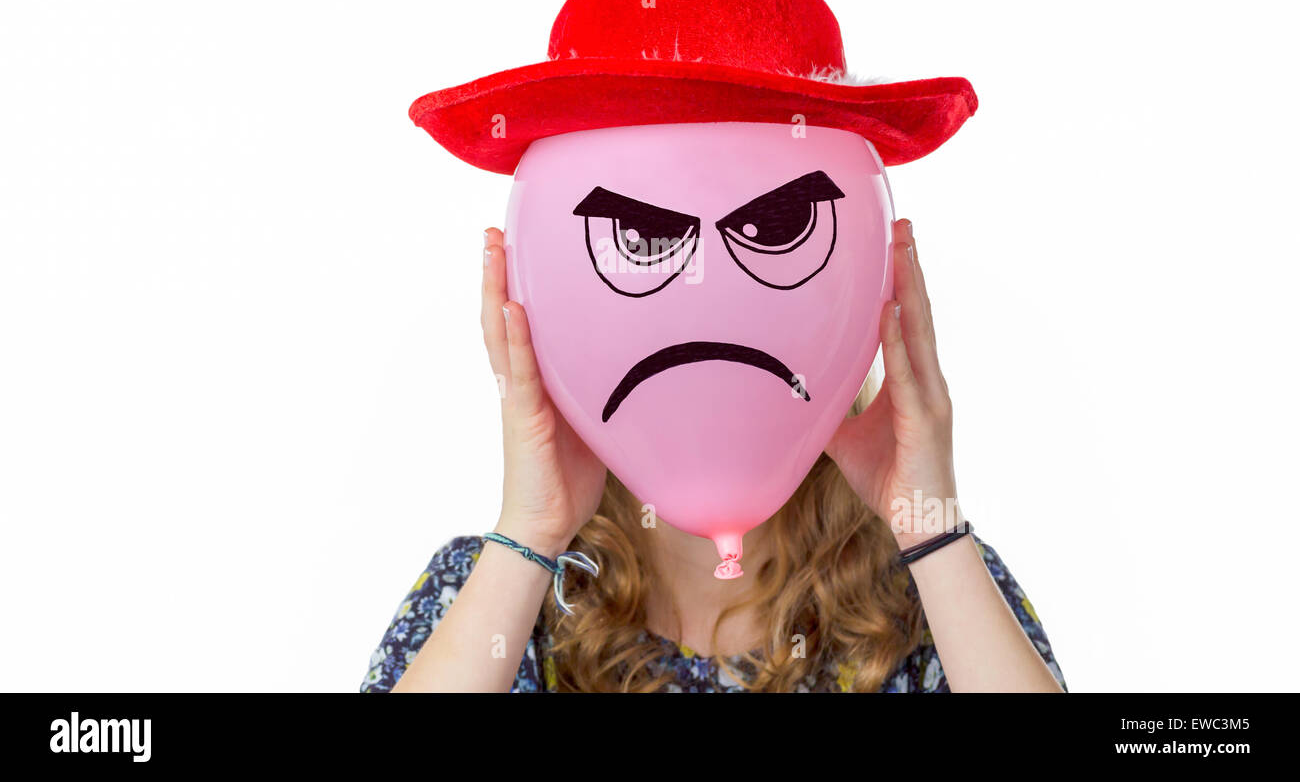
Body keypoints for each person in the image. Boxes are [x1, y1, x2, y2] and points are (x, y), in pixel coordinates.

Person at [359, 218, 1066, 693]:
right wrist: (530, 532)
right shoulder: (496, 593)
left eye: (772, 232)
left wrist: (929, 525)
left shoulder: (932, 596)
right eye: (643, 241)